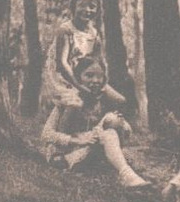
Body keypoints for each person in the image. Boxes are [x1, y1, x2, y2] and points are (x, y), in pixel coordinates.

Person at [40, 58, 150, 189]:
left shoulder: (102, 100)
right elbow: (46, 134)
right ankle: (126, 173)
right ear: (78, 77)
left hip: (90, 147)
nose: (95, 81)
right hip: (65, 154)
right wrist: (76, 141)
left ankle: (127, 175)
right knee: (109, 128)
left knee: (112, 120)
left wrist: (121, 123)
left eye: (100, 77)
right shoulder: (68, 99)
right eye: (89, 75)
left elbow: (122, 103)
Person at [42, 0, 128, 112]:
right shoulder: (66, 30)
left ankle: (100, 126)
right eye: (82, 5)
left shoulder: (94, 34)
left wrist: (101, 84)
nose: (87, 10)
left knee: (119, 101)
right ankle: (66, 130)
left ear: (98, 10)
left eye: (92, 7)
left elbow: (98, 63)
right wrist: (80, 87)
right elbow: (62, 64)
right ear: (73, 6)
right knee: (76, 105)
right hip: (67, 80)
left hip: (87, 78)